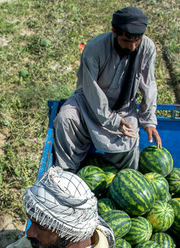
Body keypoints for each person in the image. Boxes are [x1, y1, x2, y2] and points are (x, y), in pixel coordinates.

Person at [52, 6, 162, 173]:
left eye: (136, 41)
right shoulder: (95, 49)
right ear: (114, 32)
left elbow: (149, 84)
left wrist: (148, 120)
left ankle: (124, 182)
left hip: (123, 109)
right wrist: (112, 121)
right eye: (126, 41)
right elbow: (91, 91)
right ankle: (67, 176)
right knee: (65, 119)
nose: (132, 47)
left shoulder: (147, 47)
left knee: (130, 143)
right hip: (87, 104)